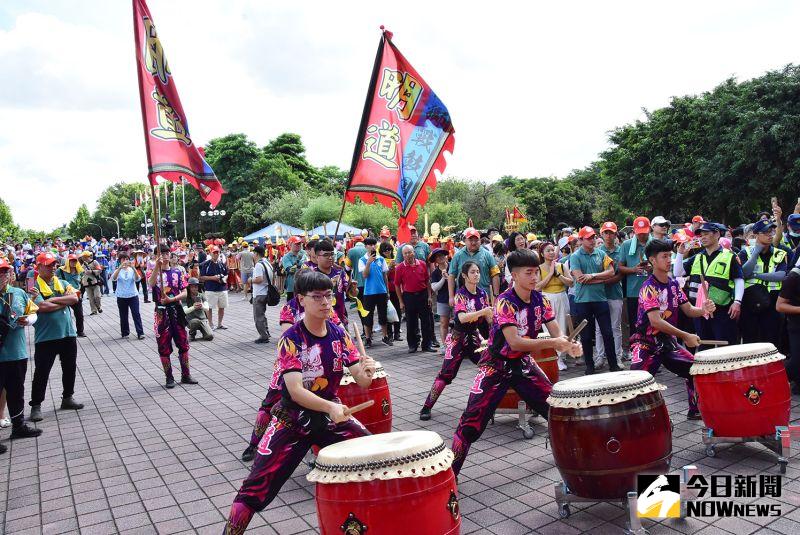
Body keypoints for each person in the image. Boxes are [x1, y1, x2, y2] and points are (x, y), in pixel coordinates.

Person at [224, 271, 376, 533]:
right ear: (301, 300)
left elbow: (362, 381)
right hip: (291, 420)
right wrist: (330, 406)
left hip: (330, 417)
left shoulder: (340, 334)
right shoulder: (291, 339)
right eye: (317, 297)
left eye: (328, 296)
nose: (326, 303)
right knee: (253, 490)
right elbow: (294, 390)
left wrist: (367, 371)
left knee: (374, 458)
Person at [450, 249, 582, 475]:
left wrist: (570, 345)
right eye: (528, 273)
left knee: (557, 410)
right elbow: (514, 342)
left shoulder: (542, 300)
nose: (534, 277)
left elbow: (557, 333)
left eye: (536, 272)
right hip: (495, 366)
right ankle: (450, 475)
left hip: (523, 364)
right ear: (514, 275)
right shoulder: (504, 302)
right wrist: (556, 342)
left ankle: (575, 462)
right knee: (470, 422)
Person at [630, 239, 717, 419]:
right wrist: (685, 336)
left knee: (696, 370)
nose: (669, 260)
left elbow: (689, 310)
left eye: (670, 255)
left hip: (668, 343)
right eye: (665, 256)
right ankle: (635, 422)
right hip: (646, 344)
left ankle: (695, 410)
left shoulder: (673, 285)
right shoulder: (649, 288)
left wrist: (703, 310)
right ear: (653, 260)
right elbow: (655, 321)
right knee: (635, 384)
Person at [420, 261, 491, 420]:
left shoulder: (482, 294)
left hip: (474, 337)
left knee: (490, 367)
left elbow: (488, 319)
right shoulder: (460, 295)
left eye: (478, 271)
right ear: (465, 276)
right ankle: (426, 406)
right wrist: (484, 311)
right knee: (445, 375)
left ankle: (487, 403)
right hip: (457, 338)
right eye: (473, 272)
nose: (477, 274)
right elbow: (462, 318)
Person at [28, 252, 84, 422]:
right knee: (42, 372)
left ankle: (67, 397)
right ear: (38, 267)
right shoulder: (32, 284)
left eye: (54, 264)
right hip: (46, 337)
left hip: (68, 333)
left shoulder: (63, 282)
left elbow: (75, 298)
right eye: (48, 264)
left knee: (70, 367)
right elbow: (41, 306)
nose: (53, 267)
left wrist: (54, 300)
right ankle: (36, 405)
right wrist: (62, 302)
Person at [674, 221, 744, 349]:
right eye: (701, 235)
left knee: (727, 346)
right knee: (704, 346)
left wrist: (737, 302)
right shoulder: (697, 257)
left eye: (706, 234)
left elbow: (738, 279)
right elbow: (677, 272)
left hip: (722, 309)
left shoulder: (730, 256)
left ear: (717, 234)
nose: (703, 237)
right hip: (700, 310)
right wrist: (680, 253)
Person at [0, 258, 43, 446]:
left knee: (16, 391)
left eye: (4, 271)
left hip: (16, 352)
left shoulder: (17, 293)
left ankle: (18, 426)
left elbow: (32, 311)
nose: (1, 276)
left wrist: (29, 320)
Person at [570, 226, 621, 373]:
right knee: (586, 336)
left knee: (607, 333)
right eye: (588, 238)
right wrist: (600, 278)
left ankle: (613, 364)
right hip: (582, 300)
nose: (592, 240)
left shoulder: (601, 253)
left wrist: (592, 276)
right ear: (581, 240)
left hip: (600, 298)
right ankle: (589, 366)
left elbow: (611, 272)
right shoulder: (575, 256)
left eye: (593, 237)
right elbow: (579, 278)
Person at [149, 245, 198, 388]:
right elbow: (151, 284)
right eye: (160, 253)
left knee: (183, 343)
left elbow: (185, 292)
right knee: (163, 345)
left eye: (166, 253)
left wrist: (173, 299)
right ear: (156, 256)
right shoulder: (154, 273)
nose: (164, 255)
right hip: (161, 313)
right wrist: (157, 268)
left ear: (170, 255)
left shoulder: (178, 272)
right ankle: (169, 377)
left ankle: (186, 375)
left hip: (176, 310)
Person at [739, 219, 787, 345]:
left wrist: (755, 275)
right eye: (766, 232)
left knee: (772, 343)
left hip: (773, 303)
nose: (770, 234)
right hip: (751, 303)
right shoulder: (746, 252)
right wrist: (756, 253)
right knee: (751, 342)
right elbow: (744, 273)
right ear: (756, 235)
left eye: (771, 231)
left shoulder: (779, 253)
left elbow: (781, 275)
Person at [536, 241, 573, 370]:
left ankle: (561, 358)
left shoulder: (562, 266)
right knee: (548, 329)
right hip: (547, 299)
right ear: (542, 253)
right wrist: (550, 274)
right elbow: (537, 286)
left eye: (553, 250)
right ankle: (552, 357)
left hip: (562, 297)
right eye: (548, 251)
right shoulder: (539, 268)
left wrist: (558, 274)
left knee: (562, 327)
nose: (551, 253)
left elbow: (571, 283)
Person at [618, 217, 653, 343]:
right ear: (634, 230)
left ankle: (652, 351)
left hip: (653, 291)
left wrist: (653, 268)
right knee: (635, 323)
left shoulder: (655, 244)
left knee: (653, 323)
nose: (642, 235)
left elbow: (665, 265)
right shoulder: (626, 245)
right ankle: (636, 351)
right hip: (633, 292)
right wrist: (633, 270)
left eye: (645, 232)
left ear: (650, 229)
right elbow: (620, 267)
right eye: (639, 232)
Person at [395, 244, 436, 353]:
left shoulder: (422, 264)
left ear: (414, 252)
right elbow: (397, 285)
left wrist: (429, 296)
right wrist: (400, 301)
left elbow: (427, 281)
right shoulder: (399, 268)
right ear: (403, 255)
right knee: (411, 322)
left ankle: (427, 344)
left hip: (423, 295)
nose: (408, 255)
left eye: (410, 252)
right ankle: (412, 344)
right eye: (405, 253)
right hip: (408, 296)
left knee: (426, 321)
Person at [595, 222, 624, 369]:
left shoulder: (621, 251)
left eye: (611, 232)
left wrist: (600, 280)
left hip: (615, 294)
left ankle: (618, 357)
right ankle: (600, 357)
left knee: (615, 327)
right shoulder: (597, 251)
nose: (608, 235)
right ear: (601, 234)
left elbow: (620, 275)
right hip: (598, 296)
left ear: (615, 234)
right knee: (599, 328)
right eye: (605, 232)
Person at [448, 228, 501, 305]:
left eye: (476, 240)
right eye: (470, 240)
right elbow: (451, 276)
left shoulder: (487, 255)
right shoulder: (458, 256)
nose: (473, 242)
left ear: (480, 240)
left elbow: (495, 275)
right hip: (463, 298)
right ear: (465, 241)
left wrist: (496, 295)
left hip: (484, 297)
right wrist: (451, 296)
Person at [358, 237, 391, 348]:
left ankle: (385, 337)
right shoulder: (362, 260)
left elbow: (385, 275)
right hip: (369, 292)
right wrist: (368, 263)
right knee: (368, 316)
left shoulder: (381, 259)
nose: (372, 246)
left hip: (381, 291)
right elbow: (365, 275)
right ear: (366, 246)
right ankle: (368, 338)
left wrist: (387, 291)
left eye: (374, 244)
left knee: (383, 315)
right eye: (370, 245)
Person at [776, 254, 800, 394]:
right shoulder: (794, 277)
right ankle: (771, 383)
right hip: (796, 326)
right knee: (796, 362)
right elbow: (780, 306)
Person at [111, 252, 145, 340]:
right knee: (123, 315)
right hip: (121, 296)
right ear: (120, 260)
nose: (125, 261)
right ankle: (125, 332)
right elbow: (113, 278)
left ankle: (140, 333)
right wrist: (119, 268)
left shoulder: (131, 270)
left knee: (136, 313)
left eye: (126, 259)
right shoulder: (118, 270)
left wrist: (133, 268)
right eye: (123, 259)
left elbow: (138, 279)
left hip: (133, 295)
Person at [56, 254, 86, 338]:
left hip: (76, 295)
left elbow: (81, 281)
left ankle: (80, 331)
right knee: (65, 315)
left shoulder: (79, 270)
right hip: (65, 295)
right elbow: (54, 279)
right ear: (67, 261)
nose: (73, 262)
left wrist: (80, 291)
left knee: (79, 314)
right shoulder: (60, 270)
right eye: (71, 260)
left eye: (75, 261)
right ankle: (65, 332)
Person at [199, 246, 229, 330]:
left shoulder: (222, 264)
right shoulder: (206, 264)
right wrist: (213, 278)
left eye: (217, 252)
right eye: (214, 252)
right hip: (210, 289)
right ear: (211, 253)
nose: (216, 254)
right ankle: (211, 324)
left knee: (222, 307)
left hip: (222, 288)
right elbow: (201, 277)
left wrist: (224, 279)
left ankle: (220, 323)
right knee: (209, 308)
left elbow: (226, 273)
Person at [380, 241, 403, 342]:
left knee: (398, 311)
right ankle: (390, 334)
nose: (387, 251)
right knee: (388, 312)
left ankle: (397, 333)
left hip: (397, 289)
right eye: (385, 250)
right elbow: (382, 277)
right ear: (382, 251)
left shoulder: (396, 260)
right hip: (386, 289)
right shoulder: (381, 261)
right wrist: (389, 269)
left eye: (389, 249)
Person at [430, 248, 451, 351]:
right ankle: (445, 346)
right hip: (442, 300)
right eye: (438, 256)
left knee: (458, 323)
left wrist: (450, 277)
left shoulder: (453, 266)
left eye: (442, 254)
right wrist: (443, 278)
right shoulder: (435, 273)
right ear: (435, 260)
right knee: (444, 323)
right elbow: (434, 288)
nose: (441, 257)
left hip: (456, 298)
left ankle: (458, 345)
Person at [251, 246, 274, 344]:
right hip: (265, 292)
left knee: (258, 316)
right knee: (262, 315)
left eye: (253, 253)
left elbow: (259, 279)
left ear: (256, 253)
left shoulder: (258, 265)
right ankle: (266, 332)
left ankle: (263, 336)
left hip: (259, 293)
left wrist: (250, 280)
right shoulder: (267, 263)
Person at [281, 236, 305, 301]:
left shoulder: (304, 253)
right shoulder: (286, 257)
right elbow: (291, 270)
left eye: (300, 243)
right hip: (292, 287)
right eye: (296, 244)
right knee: (292, 307)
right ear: (290, 245)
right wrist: (298, 261)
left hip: (305, 285)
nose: (299, 245)